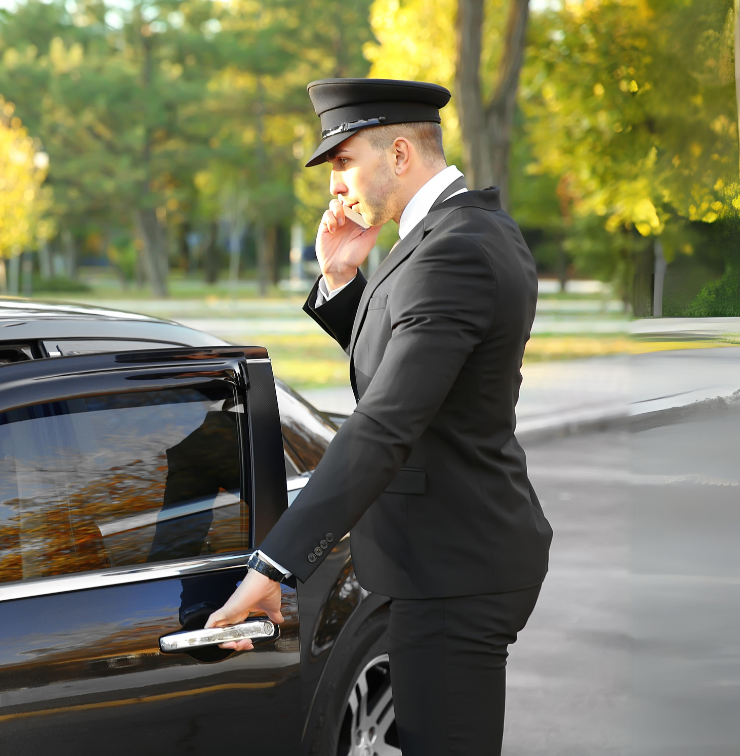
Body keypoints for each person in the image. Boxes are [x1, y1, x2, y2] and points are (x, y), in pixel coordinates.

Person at [205, 78, 553, 755]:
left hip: (453, 569)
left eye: (343, 161)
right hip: (449, 557)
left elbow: (387, 421)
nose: (335, 185)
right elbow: (419, 374)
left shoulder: (454, 248)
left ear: (398, 153)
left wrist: (273, 566)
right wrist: (341, 280)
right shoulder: (456, 230)